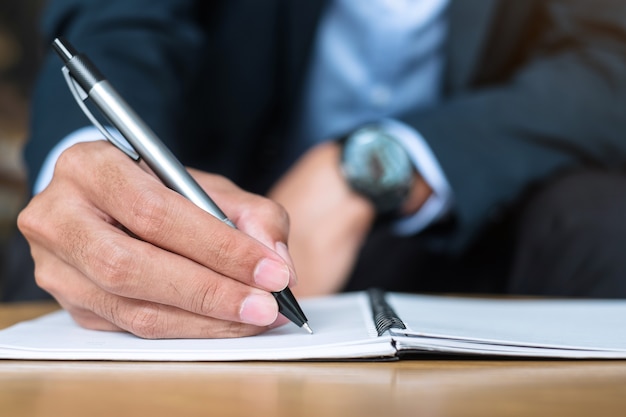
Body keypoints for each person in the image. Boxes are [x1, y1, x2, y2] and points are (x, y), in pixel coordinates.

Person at [8, 0, 626, 338]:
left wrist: (376, 166)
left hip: (468, 215)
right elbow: (120, 22)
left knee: (603, 221)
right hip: (213, 207)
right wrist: (100, 177)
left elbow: (606, 59)